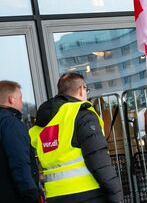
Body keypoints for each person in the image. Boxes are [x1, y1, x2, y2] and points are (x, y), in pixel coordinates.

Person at [30, 73, 123, 203]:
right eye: (86, 89)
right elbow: (98, 159)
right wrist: (115, 194)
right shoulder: (81, 114)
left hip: (54, 196)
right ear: (81, 89)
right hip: (87, 194)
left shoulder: (45, 122)